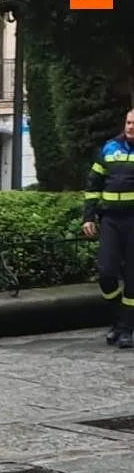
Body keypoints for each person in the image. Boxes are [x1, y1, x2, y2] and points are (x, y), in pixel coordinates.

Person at [83, 109, 134, 348]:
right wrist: (88, 217)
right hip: (111, 220)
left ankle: (125, 329)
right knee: (106, 274)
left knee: (133, 279)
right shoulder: (109, 148)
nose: (131, 127)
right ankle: (118, 320)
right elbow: (94, 183)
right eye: (129, 122)